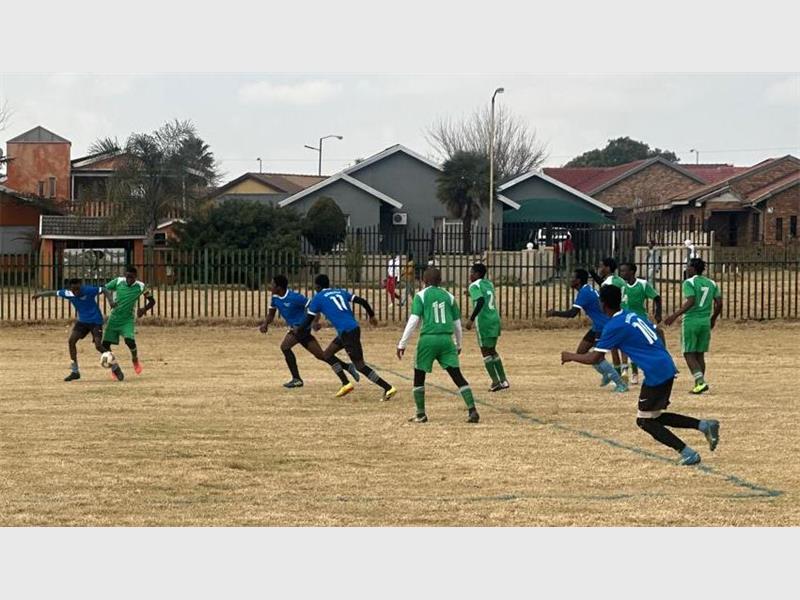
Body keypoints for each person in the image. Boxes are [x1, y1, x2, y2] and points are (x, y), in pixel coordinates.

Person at [561, 285, 720, 466]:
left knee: (644, 421)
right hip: (664, 365)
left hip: (656, 372)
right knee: (654, 416)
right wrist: (657, 353)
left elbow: (595, 357)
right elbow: (658, 331)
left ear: (602, 304)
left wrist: (570, 356)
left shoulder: (614, 325)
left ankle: (688, 452)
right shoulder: (629, 314)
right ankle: (704, 426)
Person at [397, 267, 479, 423]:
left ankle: (420, 414)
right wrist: (458, 344)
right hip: (446, 340)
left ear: (424, 281)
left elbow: (413, 321)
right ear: (440, 281)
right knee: (457, 376)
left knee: (419, 376)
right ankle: (472, 410)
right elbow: (457, 325)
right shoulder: (449, 297)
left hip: (428, 339)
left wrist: (402, 343)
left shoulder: (420, 296)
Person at [296, 274, 397, 401]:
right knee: (327, 354)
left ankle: (388, 388)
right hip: (350, 329)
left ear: (317, 286)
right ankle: (345, 383)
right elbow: (362, 301)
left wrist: (298, 331)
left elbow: (308, 320)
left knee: (360, 365)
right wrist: (371, 316)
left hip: (347, 332)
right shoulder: (339, 291)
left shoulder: (318, 298)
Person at [258, 274, 359, 397]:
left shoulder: (295, 298)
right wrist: (265, 324)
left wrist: (314, 322)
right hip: (296, 329)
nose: (270, 286)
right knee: (322, 355)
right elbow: (271, 315)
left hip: (301, 329)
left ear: (279, 287)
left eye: (272, 284)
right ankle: (348, 367)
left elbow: (313, 308)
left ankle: (297, 379)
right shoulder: (275, 298)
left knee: (285, 346)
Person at [546, 269, 628, 392]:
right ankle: (606, 372)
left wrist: (554, 313)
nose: (570, 279)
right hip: (597, 325)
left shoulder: (584, 293)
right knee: (581, 351)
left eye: (572, 277)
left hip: (602, 326)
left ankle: (620, 384)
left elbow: (572, 314)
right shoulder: (586, 289)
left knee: (597, 357)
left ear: (578, 281)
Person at [33, 278, 114, 381]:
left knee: (98, 346)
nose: (76, 292)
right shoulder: (68, 293)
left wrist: (111, 301)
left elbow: (104, 290)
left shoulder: (88, 290)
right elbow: (53, 292)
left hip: (95, 321)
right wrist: (39, 294)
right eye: (73, 290)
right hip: (82, 322)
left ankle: (115, 366)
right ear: (70, 289)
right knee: (71, 341)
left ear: (81, 286)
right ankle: (75, 371)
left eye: (77, 289)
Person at [663, 258, 722, 394]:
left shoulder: (689, 282)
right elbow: (719, 303)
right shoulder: (711, 283)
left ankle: (700, 382)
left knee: (688, 352)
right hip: (705, 321)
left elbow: (691, 301)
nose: (686, 269)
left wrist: (675, 315)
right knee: (699, 354)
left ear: (693, 269)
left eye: (688, 266)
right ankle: (699, 384)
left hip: (691, 321)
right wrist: (713, 318)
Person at [101, 266, 156, 381]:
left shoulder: (141, 286)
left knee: (129, 341)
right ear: (125, 275)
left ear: (135, 276)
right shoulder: (118, 281)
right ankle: (114, 368)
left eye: (131, 277)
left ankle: (135, 360)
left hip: (127, 319)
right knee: (105, 345)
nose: (129, 279)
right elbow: (104, 288)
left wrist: (144, 309)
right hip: (114, 318)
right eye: (127, 277)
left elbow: (152, 301)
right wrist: (110, 300)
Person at [618, 262, 664, 385]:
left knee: (636, 346)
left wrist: (657, 313)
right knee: (623, 345)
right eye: (620, 271)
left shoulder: (642, 285)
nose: (621, 273)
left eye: (624, 271)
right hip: (624, 320)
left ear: (632, 272)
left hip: (639, 320)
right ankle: (624, 372)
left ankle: (635, 373)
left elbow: (657, 298)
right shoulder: (621, 285)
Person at [465, 263, 508, 391]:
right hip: (495, 319)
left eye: (471, 272)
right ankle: (503, 380)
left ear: (477, 274)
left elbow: (480, 301)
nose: (470, 275)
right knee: (492, 350)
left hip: (484, 321)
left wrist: (471, 320)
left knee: (485, 352)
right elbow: (486, 296)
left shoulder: (474, 285)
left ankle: (495, 382)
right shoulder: (489, 283)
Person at [589, 257, 625, 378]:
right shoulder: (620, 280)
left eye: (601, 266)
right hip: (624, 313)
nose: (599, 268)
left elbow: (605, 296)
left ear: (607, 268)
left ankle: (618, 374)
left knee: (613, 347)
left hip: (613, 316)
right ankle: (627, 371)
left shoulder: (607, 283)